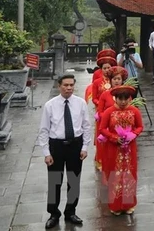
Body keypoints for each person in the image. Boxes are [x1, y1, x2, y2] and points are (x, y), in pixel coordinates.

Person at [36, 74, 91, 229]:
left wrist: (84, 147)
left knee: (74, 181)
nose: (69, 88)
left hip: (75, 145)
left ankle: (71, 211)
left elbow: (86, 126)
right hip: (56, 146)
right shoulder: (50, 105)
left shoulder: (80, 103)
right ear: (59, 86)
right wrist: (46, 153)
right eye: (65, 85)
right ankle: (53, 213)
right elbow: (44, 130)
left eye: (71, 85)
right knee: (55, 181)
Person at [98, 85, 144, 215]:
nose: (123, 102)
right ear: (115, 98)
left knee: (130, 173)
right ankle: (115, 205)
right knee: (115, 174)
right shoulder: (109, 112)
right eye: (120, 99)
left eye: (125, 99)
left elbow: (140, 127)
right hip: (114, 148)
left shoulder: (134, 111)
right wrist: (114, 137)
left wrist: (133, 134)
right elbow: (102, 128)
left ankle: (128, 204)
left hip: (130, 148)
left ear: (129, 99)